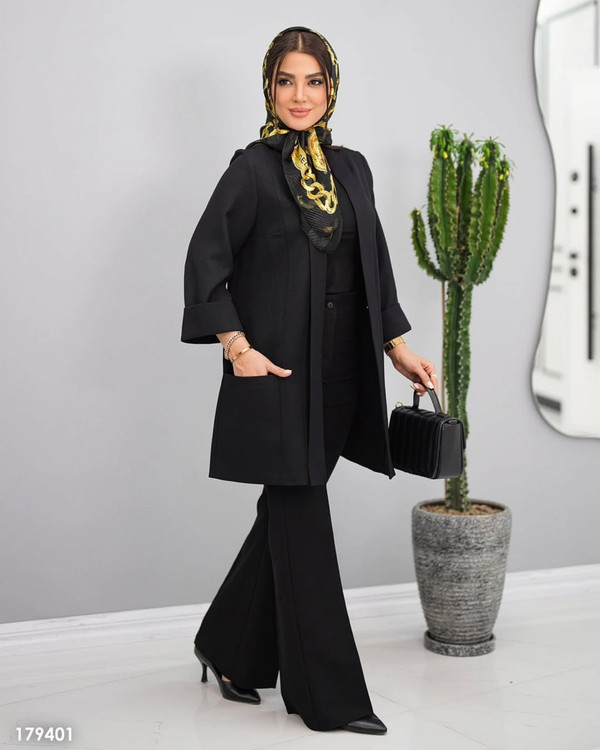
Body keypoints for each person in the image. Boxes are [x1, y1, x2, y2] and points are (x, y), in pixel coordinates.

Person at [180, 25, 438, 735]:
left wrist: (397, 347)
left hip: (343, 371)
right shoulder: (251, 169)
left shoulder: (353, 168)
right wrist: (236, 347)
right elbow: (205, 260)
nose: (301, 96)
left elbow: (374, 264)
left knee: (285, 514)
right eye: (287, 81)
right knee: (303, 519)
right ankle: (330, 698)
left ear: (332, 88)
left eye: (314, 81)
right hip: (280, 372)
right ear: (269, 87)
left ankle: (227, 645)